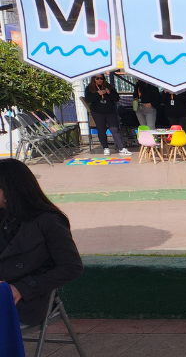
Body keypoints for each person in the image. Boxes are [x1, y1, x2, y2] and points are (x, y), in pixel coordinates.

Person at [0, 159, 84, 327]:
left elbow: (71, 267)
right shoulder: (3, 216)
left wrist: (22, 288)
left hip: (27, 299)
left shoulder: (48, 220)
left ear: (9, 189)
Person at [85, 74, 130, 156]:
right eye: (97, 78)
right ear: (93, 79)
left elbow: (116, 98)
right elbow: (88, 99)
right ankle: (105, 148)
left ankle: (122, 148)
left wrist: (109, 93)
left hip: (110, 111)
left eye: (101, 78)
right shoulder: (89, 88)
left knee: (114, 129)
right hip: (97, 112)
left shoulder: (109, 87)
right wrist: (97, 94)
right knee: (101, 129)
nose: (99, 80)